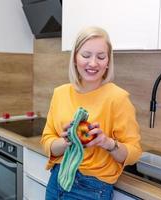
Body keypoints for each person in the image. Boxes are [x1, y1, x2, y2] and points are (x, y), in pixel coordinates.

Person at [40, 26, 142, 200]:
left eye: (101, 57)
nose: (93, 63)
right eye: (86, 55)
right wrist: (66, 141)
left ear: (108, 61)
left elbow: (134, 152)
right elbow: (47, 141)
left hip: (92, 189)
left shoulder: (118, 98)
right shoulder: (60, 93)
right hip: (57, 181)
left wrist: (106, 142)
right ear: (74, 58)